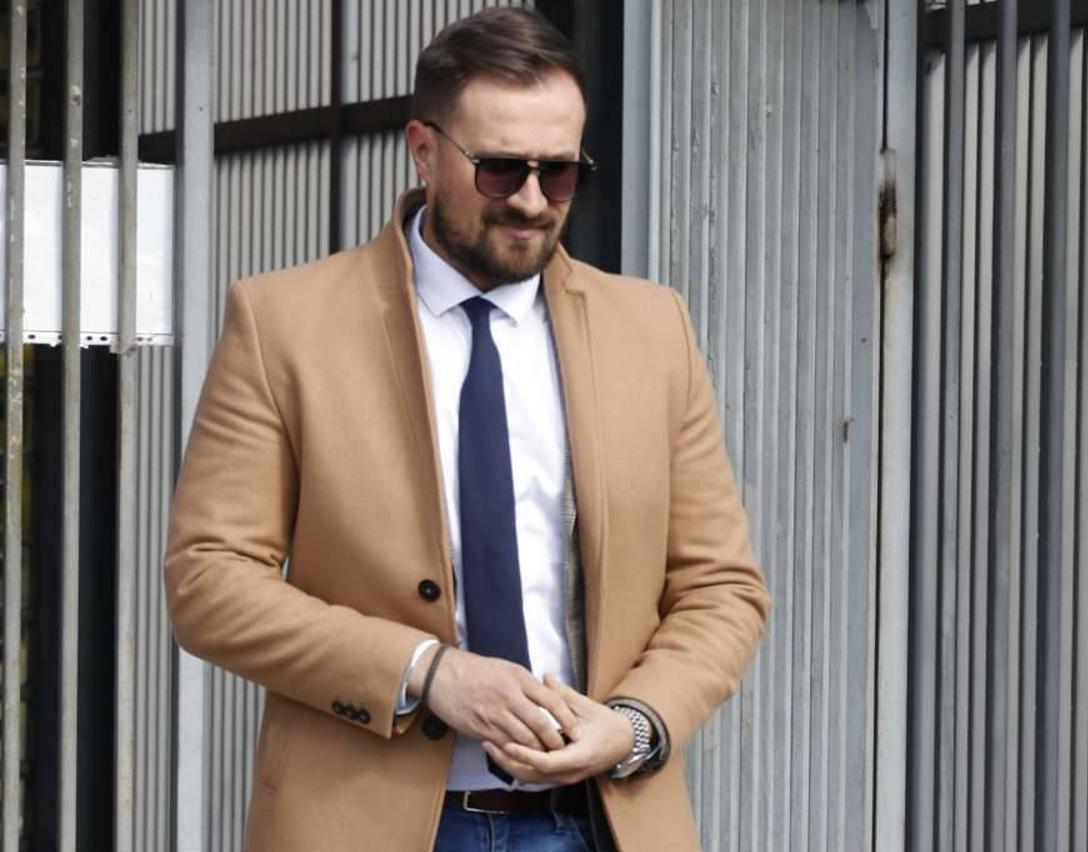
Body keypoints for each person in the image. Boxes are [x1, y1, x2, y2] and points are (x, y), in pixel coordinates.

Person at [165, 8, 769, 851]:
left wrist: (634, 724)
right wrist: (425, 672)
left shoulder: (651, 328)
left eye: (560, 173)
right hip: (366, 824)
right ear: (423, 149)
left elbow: (722, 588)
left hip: (597, 821)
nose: (531, 200)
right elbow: (209, 581)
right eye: (500, 169)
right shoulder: (284, 323)